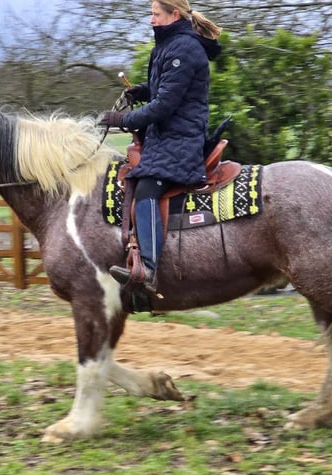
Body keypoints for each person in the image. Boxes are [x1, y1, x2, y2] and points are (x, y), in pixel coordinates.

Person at [99, 0, 222, 294]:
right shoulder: (169, 46)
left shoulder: (183, 49)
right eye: (151, 14)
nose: (151, 20)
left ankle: (148, 270)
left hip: (180, 138)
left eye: (155, 14)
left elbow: (166, 105)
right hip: (165, 136)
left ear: (173, 15)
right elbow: (166, 89)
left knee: (146, 189)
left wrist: (124, 119)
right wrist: (143, 89)